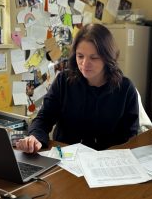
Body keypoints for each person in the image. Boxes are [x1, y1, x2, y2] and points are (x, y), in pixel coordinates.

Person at [16, 23, 139, 153]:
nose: (85, 64)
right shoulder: (63, 81)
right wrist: (35, 137)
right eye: (80, 56)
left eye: (94, 57)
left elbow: (130, 138)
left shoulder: (126, 89)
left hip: (106, 162)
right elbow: (44, 118)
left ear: (108, 58)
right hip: (65, 158)